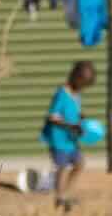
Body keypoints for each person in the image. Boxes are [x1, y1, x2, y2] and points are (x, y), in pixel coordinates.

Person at [19, 60, 97, 197]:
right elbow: (53, 117)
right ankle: (59, 198)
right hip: (58, 139)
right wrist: (69, 125)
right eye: (83, 83)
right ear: (75, 77)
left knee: (79, 164)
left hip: (71, 139)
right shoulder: (62, 93)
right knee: (61, 168)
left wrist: (82, 120)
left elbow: (75, 111)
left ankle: (66, 193)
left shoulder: (76, 94)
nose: (83, 87)